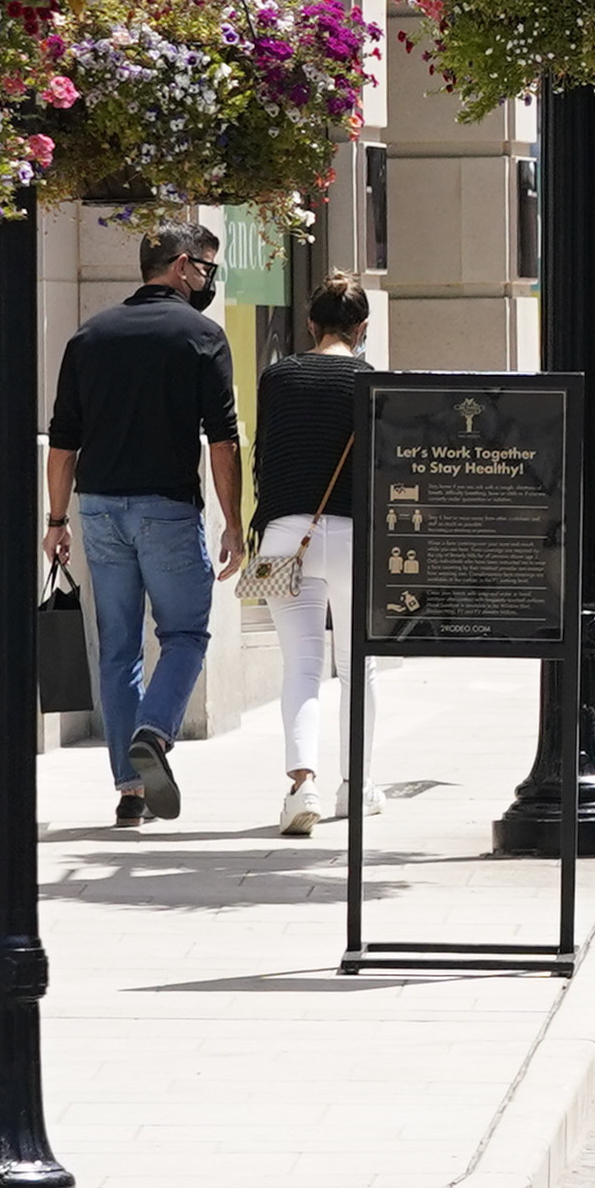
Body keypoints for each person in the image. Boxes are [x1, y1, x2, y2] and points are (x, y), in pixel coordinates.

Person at [44, 224, 247, 829]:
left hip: (99, 507)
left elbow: (62, 444)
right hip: (167, 508)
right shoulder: (203, 336)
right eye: (208, 269)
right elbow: (224, 444)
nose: (209, 280)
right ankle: (153, 735)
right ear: (182, 266)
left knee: (119, 648)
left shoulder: (90, 336)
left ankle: (129, 792)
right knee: (185, 634)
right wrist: (233, 523)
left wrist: (56, 520)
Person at [254, 275, 379, 837]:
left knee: (301, 666)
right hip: (355, 531)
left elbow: (267, 456)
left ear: (311, 324)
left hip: (286, 532)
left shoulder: (277, 377)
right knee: (358, 663)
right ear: (362, 329)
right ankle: (356, 785)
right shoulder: (371, 380)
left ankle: (301, 784)